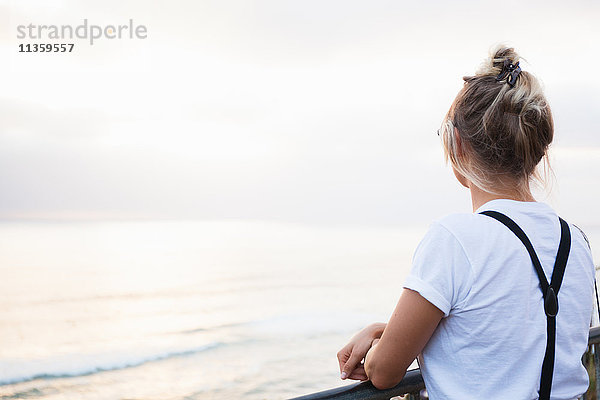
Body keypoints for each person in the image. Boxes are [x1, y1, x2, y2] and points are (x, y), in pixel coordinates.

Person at [336, 45, 596, 399]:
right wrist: (396, 331)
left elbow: (383, 372)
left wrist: (378, 342)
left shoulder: (455, 238)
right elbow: (522, 336)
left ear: (456, 143)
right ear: (535, 151)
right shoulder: (575, 240)